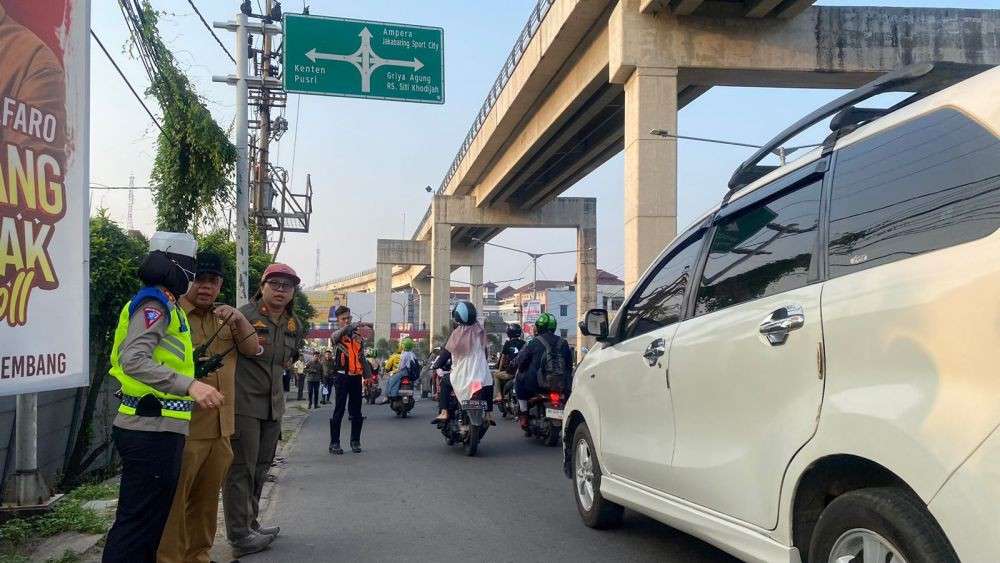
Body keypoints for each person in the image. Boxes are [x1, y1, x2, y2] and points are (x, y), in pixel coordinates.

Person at [103, 232, 224, 563]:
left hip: (161, 427)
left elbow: (159, 357)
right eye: (191, 267)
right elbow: (134, 359)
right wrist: (189, 385)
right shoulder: (155, 303)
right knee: (137, 527)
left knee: (148, 526)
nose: (193, 275)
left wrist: (193, 371)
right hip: (148, 428)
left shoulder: (166, 303)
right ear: (176, 266)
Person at [158, 252, 266, 563]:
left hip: (221, 428)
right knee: (176, 502)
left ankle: (199, 556)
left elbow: (252, 349)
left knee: (206, 502)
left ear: (220, 285)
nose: (206, 287)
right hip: (185, 427)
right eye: (199, 280)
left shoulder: (225, 318)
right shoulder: (172, 314)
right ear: (188, 281)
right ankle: (169, 559)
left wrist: (240, 318)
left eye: (213, 281)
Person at [223, 264, 304, 556]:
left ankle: (251, 524)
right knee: (240, 470)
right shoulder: (243, 316)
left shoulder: (294, 323)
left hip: (273, 406)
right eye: (276, 284)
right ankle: (239, 535)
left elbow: (290, 358)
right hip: (243, 404)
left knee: (260, 468)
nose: (281, 290)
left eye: (288, 285)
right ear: (263, 286)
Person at [432, 302, 494, 423]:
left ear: (458, 316)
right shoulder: (480, 331)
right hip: (481, 372)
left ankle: (444, 412)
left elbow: (446, 353)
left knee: (445, 382)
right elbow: (485, 352)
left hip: (462, 373)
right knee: (488, 383)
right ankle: (489, 413)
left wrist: (437, 364)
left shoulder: (457, 333)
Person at [513, 312, 573, 430]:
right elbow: (569, 365)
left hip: (537, 385)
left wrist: (518, 367)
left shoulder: (534, 342)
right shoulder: (563, 342)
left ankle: (524, 413)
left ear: (539, 327)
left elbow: (522, 360)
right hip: (560, 385)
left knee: (519, 380)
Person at [328, 306, 372, 454]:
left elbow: (362, 357)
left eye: (348, 318)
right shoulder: (337, 335)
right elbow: (334, 337)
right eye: (343, 319)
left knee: (356, 412)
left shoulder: (357, 336)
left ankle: (355, 441)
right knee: (339, 410)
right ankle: (334, 443)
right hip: (342, 377)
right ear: (338, 320)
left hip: (356, 378)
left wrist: (368, 376)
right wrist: (349, 327)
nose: (346, 321)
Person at [495, 323, 525, 403]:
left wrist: (500, 369)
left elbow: (503, 359)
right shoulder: (524, 343)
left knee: (496, 375)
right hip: (522, 372)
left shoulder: (507, 344)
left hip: (511, 373)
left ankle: (499, 395)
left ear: (509, 333)